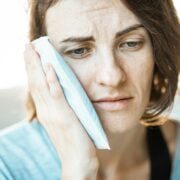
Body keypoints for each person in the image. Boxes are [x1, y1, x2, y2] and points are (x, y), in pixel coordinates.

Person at [0, 0, 180, 179]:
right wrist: (78, 170)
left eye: (131, 43)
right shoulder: (5, 166)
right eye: (79, 50)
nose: (112, 77)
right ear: (40, 61)